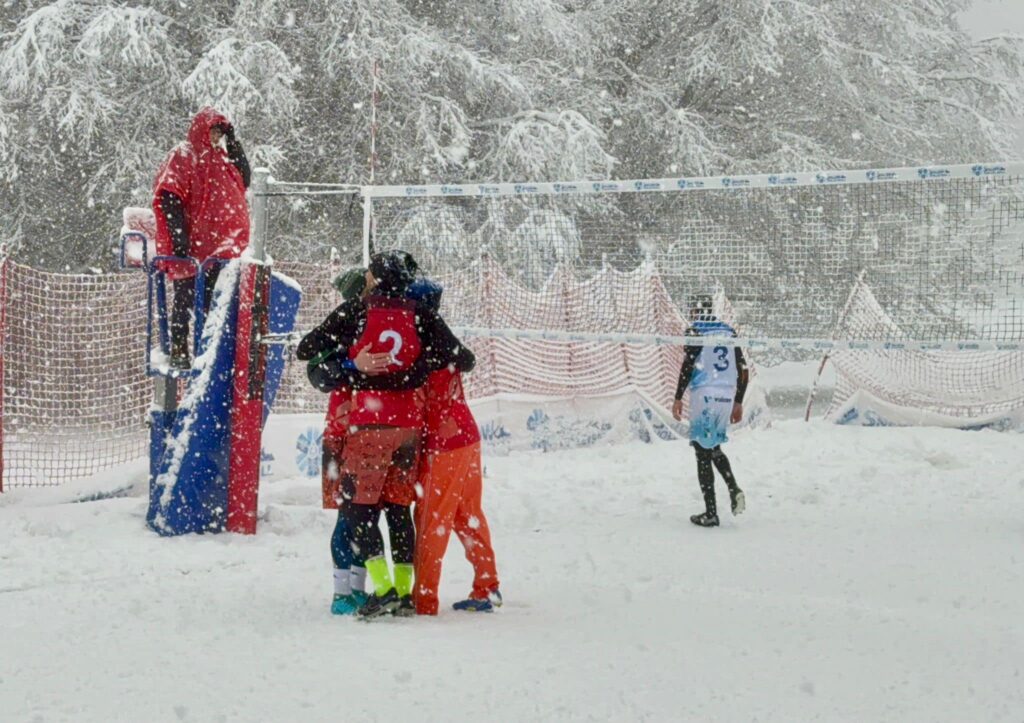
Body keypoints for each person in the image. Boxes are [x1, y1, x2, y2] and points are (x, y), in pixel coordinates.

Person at [296, 251, 470, 620]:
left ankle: (381, 587)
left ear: (373, 276)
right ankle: (404, 594)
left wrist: (354, 369)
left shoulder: (356, 313)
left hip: (369, 426)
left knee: (358, 513)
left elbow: (305, 350)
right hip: (409, 427)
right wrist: (416, 369)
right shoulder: (420, 313)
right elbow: (462, 357)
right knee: (397, 510)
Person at [405, 279, 501, 615]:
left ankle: (424, 598)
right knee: (468, 515)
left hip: (441, 444)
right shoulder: (446, 343)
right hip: (467, 436)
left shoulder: (415, 344)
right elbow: (467, 359)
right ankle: (487, 586)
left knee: (432, 519)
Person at [152, 107, 251, 369]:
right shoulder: (185, 155)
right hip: (193, 250)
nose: (217, 137)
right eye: (214, 130)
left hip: (218, 252)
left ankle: (207, 356)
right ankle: (180, 352)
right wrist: (178, 236)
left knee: (212, 307)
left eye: (221, 132)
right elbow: (169, 195)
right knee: (184, 299)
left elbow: (245, 178)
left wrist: (234, 142)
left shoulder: (221, 159)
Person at [306, 267, 372, 616]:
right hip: (341, 436)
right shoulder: (337, 334)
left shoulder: (373, 329)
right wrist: (349, 363)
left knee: (364, 516)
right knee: (348, 515)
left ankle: (357, 589)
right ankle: (341, 592)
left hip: (364, 434)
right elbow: (318, 373)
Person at [671, 295, 749, 528]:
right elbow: (743, 369)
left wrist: (677, 397)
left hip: (705, 392)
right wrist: (738, 400)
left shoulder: (695, 331)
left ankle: (711, 512)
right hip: (725, 394)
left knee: (701, 452)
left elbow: (687, 366)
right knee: (712, 445)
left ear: (695, 312)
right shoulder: (728, 331)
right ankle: (732, 487)